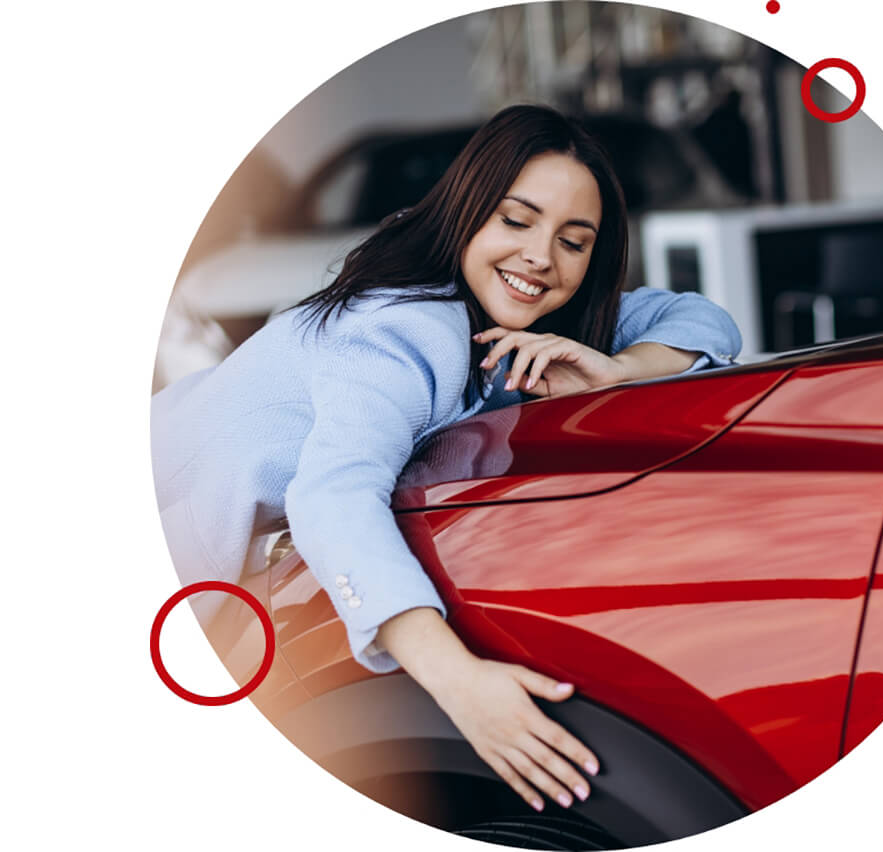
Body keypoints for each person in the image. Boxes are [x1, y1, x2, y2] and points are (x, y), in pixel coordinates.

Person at [152, 104, 742, 814]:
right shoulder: (408, 324)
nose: (541, 258)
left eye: (573, 241)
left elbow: (704, 320)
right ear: (467, 210)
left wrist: (619, 370)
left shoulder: (523, 317)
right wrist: (458, 682)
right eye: (516, 221)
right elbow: (334, 497)